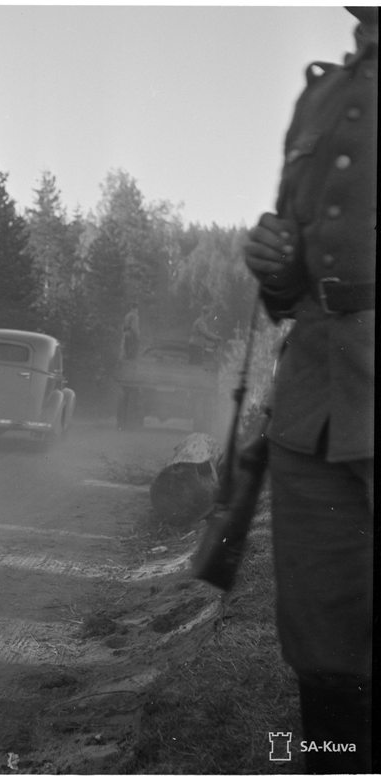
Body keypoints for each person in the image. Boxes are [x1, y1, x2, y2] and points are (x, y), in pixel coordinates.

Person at [242, 7, 376, 773]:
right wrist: (277, 265)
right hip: (314, 408)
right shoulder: (320, 96)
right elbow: (295, 283)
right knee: (323, 644)